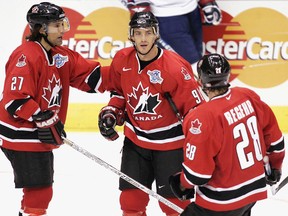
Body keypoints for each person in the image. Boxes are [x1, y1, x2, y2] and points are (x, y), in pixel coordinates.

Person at [0, 2, 109, 216]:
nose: (63, 30)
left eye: (63, 24)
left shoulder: (60, 54)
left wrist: (125, 74)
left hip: (36, 133)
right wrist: (41, 116)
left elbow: (90, 77)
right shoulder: (26, 55)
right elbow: (15, 99)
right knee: (40, 191)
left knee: (38, 191)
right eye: (57, 26)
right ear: (41, 29)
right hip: (21, 133)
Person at [98, 11, 205, 216]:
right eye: (138, 33)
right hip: (136, 142)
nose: (143, 38)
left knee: (174, 207)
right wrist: (112, 111)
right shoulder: (122, 59)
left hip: (171, 146)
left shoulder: (174, 67)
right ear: (131, 35)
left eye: (148, 32)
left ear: (156, 34)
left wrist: (202, 145)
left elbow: (196, 111)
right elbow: (119, 92)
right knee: (131, 203)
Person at [169, 53, 285, 216]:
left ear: (200, 80)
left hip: (221, 200)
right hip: (252, 193)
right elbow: (275, 140)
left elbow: (198, 174)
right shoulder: (247, 96)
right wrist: (275, 166)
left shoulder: (202, 117)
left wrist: (181, 183)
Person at [127, 0, 222, 72]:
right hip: (165, 14)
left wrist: (206, 2)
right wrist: (139, 8)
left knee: (196, 61)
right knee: (191, 66)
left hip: (192, 9)